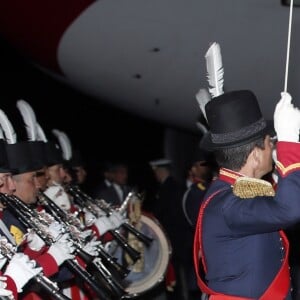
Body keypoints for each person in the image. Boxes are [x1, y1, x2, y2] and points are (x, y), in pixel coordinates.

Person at [193, 90, 300, 299]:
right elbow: (288, 210)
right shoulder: (228, 203)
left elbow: (272, 202)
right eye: (271, 143)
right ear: (255, 155)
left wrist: (281, 170)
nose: (274, 147)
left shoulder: (231, 191)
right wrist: (289, 144)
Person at [149, 158, 188, 300]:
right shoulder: (173, 186)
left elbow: (161, 212)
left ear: (160, 171)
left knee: (177, 273)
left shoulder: (168, 188)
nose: (155, 175)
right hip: (176, 236)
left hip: (173, 237)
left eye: (156, 172)